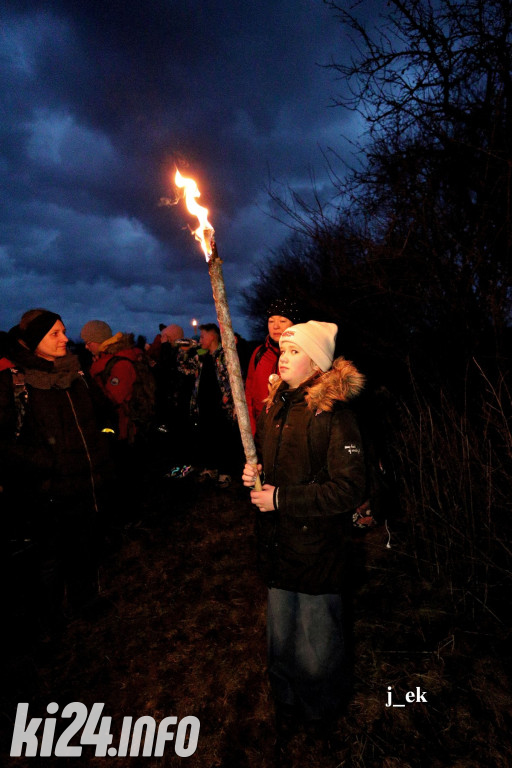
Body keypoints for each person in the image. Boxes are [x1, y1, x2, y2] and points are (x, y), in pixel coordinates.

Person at [242, 320, 367, 753]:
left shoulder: (335, 414)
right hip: (278, 545)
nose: (284, 355)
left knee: (317, 643)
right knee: (281, 637)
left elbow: (348, 488)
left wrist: (281, 500)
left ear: (316, 361)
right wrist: (254, 475)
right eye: (282, 349)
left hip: (317, 550)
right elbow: (271, 470)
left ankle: (320, 712)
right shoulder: (276, 406)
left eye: (294, 351)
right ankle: (287, 704)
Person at [0, 309, 112, 634]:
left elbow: (104, 415)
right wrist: (46, 462)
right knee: (48, 558)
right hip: (45, 491)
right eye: (55, 334)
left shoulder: (77, 374)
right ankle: (47, 620)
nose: (65, 338)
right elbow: (4, 443)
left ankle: (86, 602)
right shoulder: (15, 383)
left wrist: (103, 443)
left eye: (64, 331)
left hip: (87, 483)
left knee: (86, 547)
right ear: (36, 341)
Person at [178, 323, 242, 488]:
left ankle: (225, 471)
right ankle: (210, 468)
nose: (200, 340)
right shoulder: (201, 356)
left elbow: (235, 378)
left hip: (222, 405)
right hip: (203, 404)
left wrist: (231, 400)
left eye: (203, 336)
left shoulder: (225, 355)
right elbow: (184, 370)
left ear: (213, 336)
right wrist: (183, 352)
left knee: (224, 437)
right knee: (207, 436)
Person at [80, 320, 153, 444]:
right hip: (115, 427)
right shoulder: (106, 361)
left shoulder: (120, 364)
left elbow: (112, 399)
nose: (86, 347)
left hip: (123, 431)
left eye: (88, 343)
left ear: (98, 341)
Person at [245, 298, 302, 434]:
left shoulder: (303, 356)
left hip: (289, 434)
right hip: (260, 433)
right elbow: (249, 393)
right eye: (271, 321)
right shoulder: (259, 354)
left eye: (282, 321)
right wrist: (251, 429)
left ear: (294, 324)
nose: (275, 326)